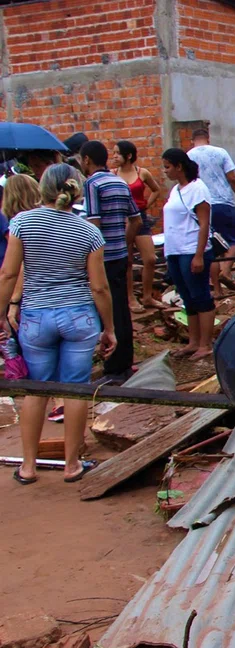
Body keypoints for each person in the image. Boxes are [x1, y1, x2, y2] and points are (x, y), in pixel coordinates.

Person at [0, 163, 116, 484]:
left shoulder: (21, 223)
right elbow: (99, 287)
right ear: (76, 190)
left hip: (36, 316)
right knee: (75, 390)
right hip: (78, 315)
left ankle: (27, 466)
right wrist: (109, 328)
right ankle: (71, 464)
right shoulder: (89, 232)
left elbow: (9, 274)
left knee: (37, 389)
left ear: (43, 189)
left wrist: (1, 313)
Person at [80, 140, 140, 384]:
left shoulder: (92, 184)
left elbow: (93, 223)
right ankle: (125, 361)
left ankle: (113, 368)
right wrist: (123, 243)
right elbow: (135, 220)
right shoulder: (119, 181)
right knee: (121, 306)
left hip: (101, 256)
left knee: (107, 309)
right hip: (119, 255)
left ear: (86, 160)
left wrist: (87, 255)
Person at [161, 148, 216, 361]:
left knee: (200, 296)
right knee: (187, 298)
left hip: (191, 250)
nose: (165, 171)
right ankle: (193, 342)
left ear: (179, 166)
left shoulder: (198, 189)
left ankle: (205, 343)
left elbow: (204, 224)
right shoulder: (176, 190)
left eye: (167, 167)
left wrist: (199, 255)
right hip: (175, 250)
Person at [187, 128, 235, 295]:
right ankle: (226, 272)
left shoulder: (187, 156)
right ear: (208, 138)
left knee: (212, 248)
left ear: (192, 140)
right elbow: (233, 178)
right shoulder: (220, 152)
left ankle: (218, 291)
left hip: (200, 206)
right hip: (223, 203)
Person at [114, 141, 164, 312]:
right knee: (127, 261)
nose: (114, 157)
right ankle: (130, 298)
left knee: (149, 258)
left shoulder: (142, 172)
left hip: (140, 219)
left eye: (117, 153)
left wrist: (145, 205)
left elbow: (156, 190)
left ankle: (147, 296)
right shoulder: (113, 174)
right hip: (122, 220)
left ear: (128, 155)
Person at [1, 174, 40, 330]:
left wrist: (13, 302)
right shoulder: (43, 221)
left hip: (17, 294)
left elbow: (16, 266)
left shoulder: (13, 225)